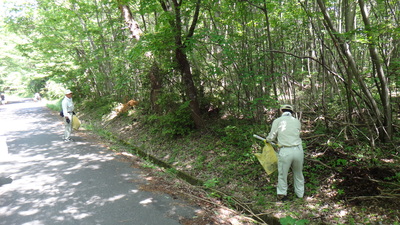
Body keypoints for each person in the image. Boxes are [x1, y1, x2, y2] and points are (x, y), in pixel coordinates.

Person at [266, 104, 304, 202]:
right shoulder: (297, 121)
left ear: (281, 111)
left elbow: (272, 136)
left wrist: (267, 140)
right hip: (298, 150)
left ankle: (282, 195)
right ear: (291, 112)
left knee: (283, 174)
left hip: (285, 151)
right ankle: (300, 195)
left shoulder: (278, 121)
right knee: (298, 173)